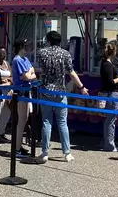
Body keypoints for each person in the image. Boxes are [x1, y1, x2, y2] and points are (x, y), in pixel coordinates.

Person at [35, 31, 88, 163]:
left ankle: (45, 152)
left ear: (48, 40)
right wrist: (81, 87)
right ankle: (67, 153)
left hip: (46, 91)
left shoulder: (42, 53)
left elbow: (40, 71)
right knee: (62, 123)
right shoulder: (66, 54)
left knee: (46, 122)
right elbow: (71, 72)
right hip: (60, 92)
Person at [99, 42, 118, 152]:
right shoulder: (107, 64)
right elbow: (111, 82)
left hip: (111, 94)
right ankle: (109, 145)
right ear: (113, 52)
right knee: (111, 120)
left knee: (109, 119)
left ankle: (106, 142)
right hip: (111, 94)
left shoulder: (107, 63)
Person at [11, 39, 36, 156]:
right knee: (21, 120)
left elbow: (33, 73)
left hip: (26, 91)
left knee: (24, 120)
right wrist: (30, 73)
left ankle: (18, 145)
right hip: (20, 92)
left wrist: (30, 74)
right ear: (21, 47)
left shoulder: (25, 59)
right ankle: (16, 148)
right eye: (26, 45)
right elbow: (27, 76)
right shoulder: (17, 60)